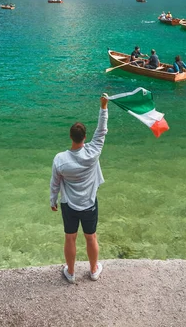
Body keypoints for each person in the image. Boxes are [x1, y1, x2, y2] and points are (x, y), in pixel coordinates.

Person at [50, 95, 109, 284]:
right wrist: (103, 107)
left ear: (70, 137)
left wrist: (53, 200)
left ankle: (71, 272)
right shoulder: (93, 152)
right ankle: (93, 270)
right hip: (89, 203)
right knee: (91, 237)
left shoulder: (60, 159)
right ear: (85, 137)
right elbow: (101, 131)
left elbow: (55, 183)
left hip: (69, 205)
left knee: (70, 237)